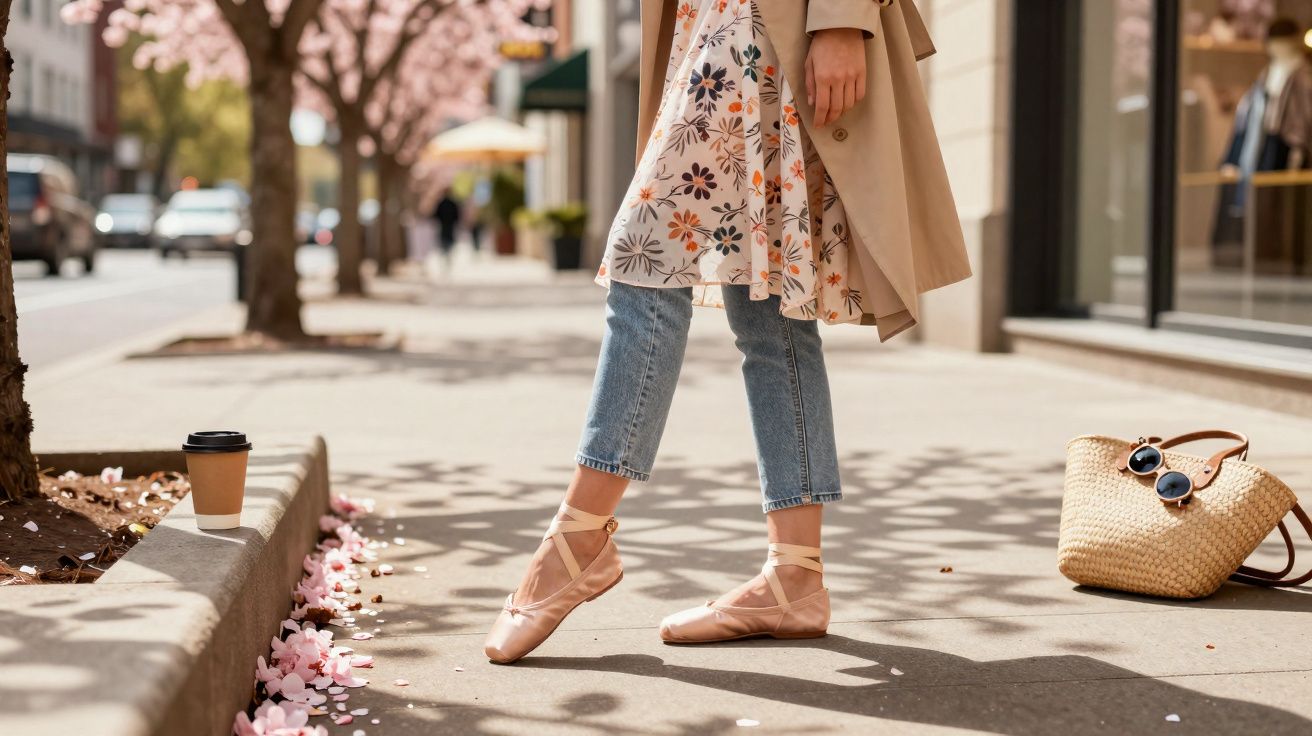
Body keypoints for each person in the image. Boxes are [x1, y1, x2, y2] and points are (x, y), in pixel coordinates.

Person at [485, 0, 970, 664]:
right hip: (711, 26)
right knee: (769, 307)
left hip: (758, 22)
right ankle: (796, 576)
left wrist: (840, 18)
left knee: (645, 258)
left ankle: (577, 539)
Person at [431, 189, 461, 269]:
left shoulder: (441, 203)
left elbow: (436, 215)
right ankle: (447, 255)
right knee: (449, 240)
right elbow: (457, 215)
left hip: (444, 225)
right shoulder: (452, 203)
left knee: (444, 240)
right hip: (449, 225)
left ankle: (446, 255)